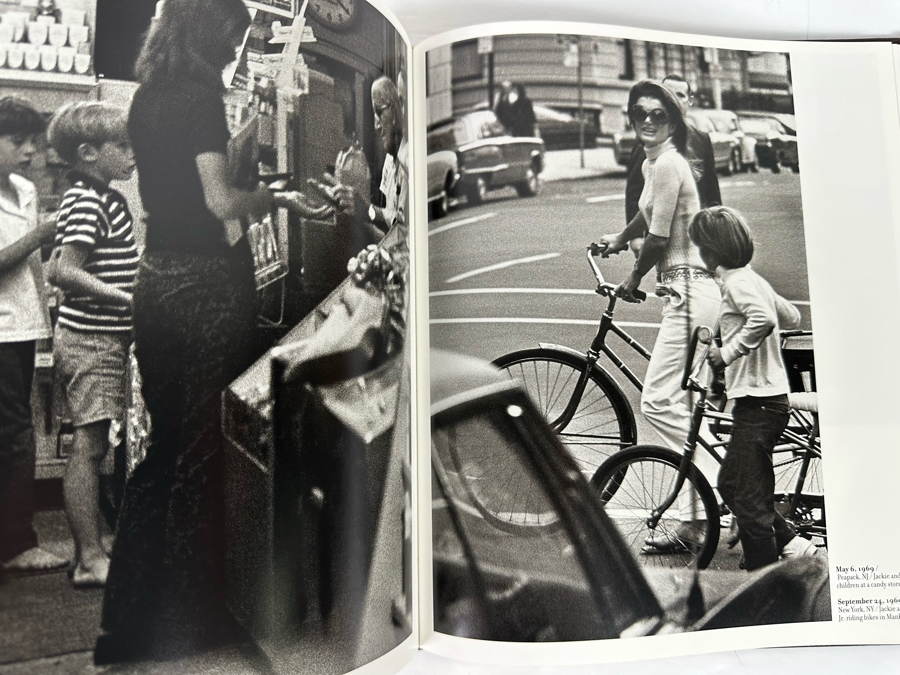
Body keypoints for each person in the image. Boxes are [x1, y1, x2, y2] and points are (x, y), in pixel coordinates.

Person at [95, 0, 284, 663]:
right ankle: (191, 616)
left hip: (157, 279)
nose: (236, 50)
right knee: (205, 451)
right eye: (233, 37)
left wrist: (242, 144)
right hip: (207, 285)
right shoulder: (201, 92)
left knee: (164, 447)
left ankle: (126, 618)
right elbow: (220, 201)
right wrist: (272, 198)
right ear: (209, 29)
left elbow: (179, 182)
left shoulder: (148, 94)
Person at [599, 80, 721, 551]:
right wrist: (614, 238)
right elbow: (644, 217)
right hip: (685, 293)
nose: (647, 121)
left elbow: (657, 236)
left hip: (691, 292)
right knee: (685, 410)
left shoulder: (669, 163)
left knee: (655, 402)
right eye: (639, 114)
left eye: (658, 115)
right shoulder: (656, 163)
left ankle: (718, 483)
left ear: (673, 120)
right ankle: (694, 522)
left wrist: (632, 279)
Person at [688, 205, 816, 569]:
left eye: (700, 246)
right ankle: (792, 544)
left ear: (709, 251)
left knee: (750, 503)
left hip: (760, 405)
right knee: (730, 484)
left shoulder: (736, 282)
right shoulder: (750, 279)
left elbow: (764, 318)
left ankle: (763, 580)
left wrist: (727, 353)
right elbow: (790, 315)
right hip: (761, 404)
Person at [46, 102, 139, 590]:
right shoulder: (88, 200)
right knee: (89, 446)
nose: (132, 154)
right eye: (121, 146)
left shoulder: (101, 196)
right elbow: (64, 270)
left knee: (95, 442)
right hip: (91, 340)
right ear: (87, 152)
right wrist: (127, 296)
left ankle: (93, 550)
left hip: (102, 338)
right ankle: (88, 557)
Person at [0, 96, 69, 583]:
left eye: (33, 142)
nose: (29, 152)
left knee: (14, 433)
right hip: (1, 331)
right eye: (16, 142)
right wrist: (40, 235)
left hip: (24, 325)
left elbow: (31, 269)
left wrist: (49, 304)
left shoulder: (24, 190)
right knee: (14, 436)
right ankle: (16, 545)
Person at [625, 74, 721, 247]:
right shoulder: (648, 139)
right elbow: (635, 190)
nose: (674, 99)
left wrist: (718, 229)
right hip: (660, 231)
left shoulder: (701, 139)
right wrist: (635, 237)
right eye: (668, 93)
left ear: (690, 100)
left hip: (697, 233)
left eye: (680, 95)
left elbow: (711, 190)